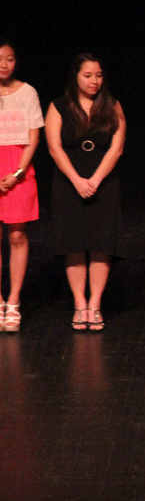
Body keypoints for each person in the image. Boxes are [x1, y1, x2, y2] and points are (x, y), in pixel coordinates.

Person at [46, 53, 126, 331]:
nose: (94, 81)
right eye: (88, 75)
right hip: (69, 182)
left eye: (99, 75)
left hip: (103, 181)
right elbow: (54, 147)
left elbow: (117, 147)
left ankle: (95, 305)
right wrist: (78, 180)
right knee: (74, 244)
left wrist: (95, 178)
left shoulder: (112, 105)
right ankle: (80, 305)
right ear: (76, 77)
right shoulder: (59, 106)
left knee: (101, 245)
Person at [0, 38, 43, 333]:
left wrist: (16, 173)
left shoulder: (28, 93)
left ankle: (13, 301)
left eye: (10, 58)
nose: (4, 64)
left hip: (18, 168)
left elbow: (34, 137)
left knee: (17, 236)